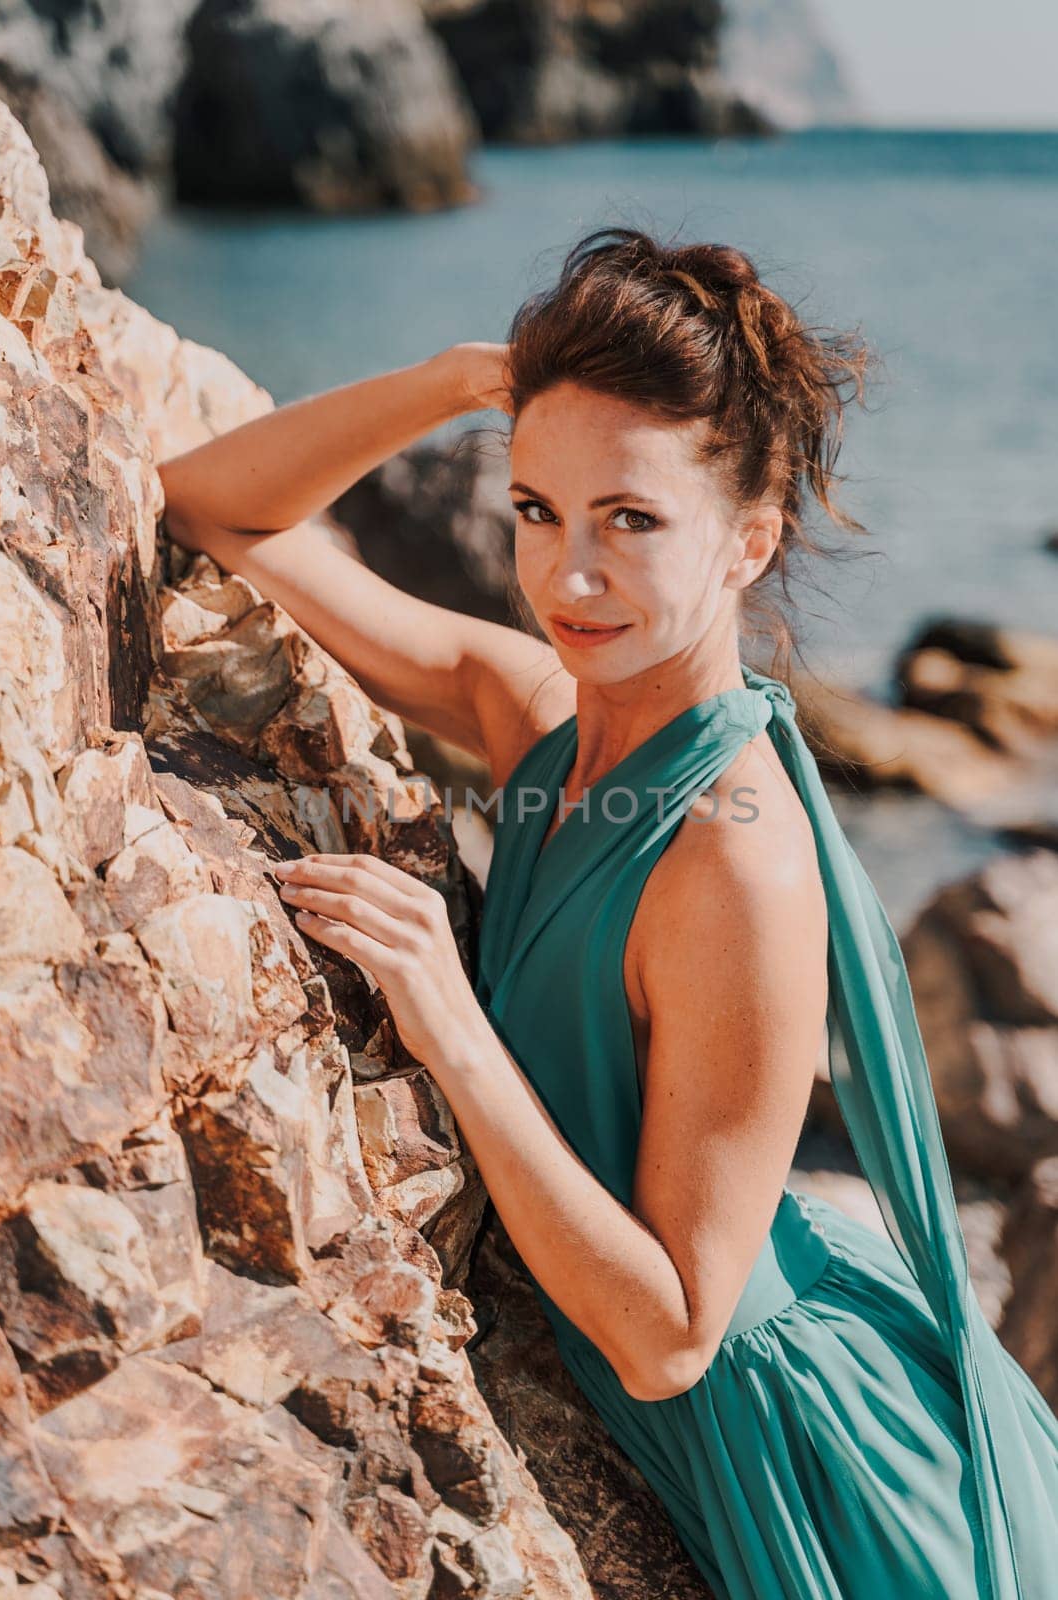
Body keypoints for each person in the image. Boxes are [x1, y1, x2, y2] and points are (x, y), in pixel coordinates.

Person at [159, 226, 1058, 1599]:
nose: (569, 578)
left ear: (750, 541)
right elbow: (214, 507)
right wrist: (466, 378)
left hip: (807, 1470)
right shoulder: (535, 717)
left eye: (631, 520)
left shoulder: (733, 860)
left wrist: (451, 1026)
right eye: (536, 510)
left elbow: (673, 1340)